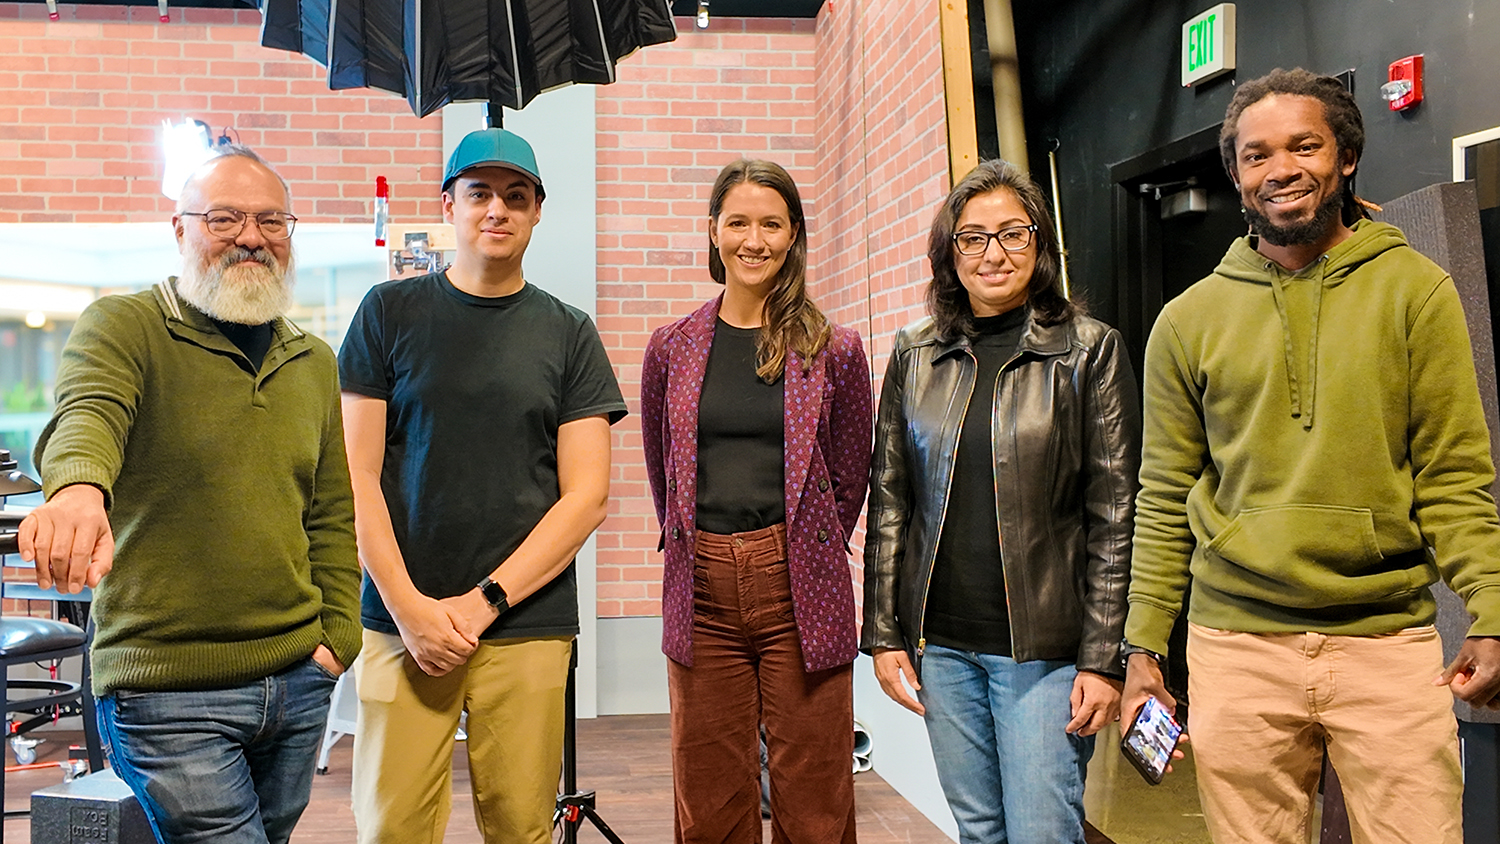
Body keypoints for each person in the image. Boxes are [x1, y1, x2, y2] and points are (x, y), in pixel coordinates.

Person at [1124, 67, 1500, 844]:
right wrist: (1142, 648)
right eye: (1257, 156)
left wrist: (1492, 610)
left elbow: (1455, 476)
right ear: (1236, 175)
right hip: (1237, 648)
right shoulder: (1187, 321)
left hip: (1390, 647)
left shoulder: (1416, 292)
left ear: (1346, 156)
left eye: (1304, 146)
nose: (1282, 169)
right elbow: (1162, 496)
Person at [17, 146, 361, 844]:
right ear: (180, 230)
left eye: (272, 220)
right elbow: (87, 413)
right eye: (224, 217)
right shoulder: (126, 326)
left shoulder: (314, 361)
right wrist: (79, 490)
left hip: (298, 677)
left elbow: (329, 512)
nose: (250, 236)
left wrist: (337, 640)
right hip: (165, 684)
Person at [339, 127, 626, 844]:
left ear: (536, 213)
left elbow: (585, 496)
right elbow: (355, 476)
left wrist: (484, 601)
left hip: (524, 623)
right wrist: (409, 610)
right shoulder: (386, 314)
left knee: (520, 830)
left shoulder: (569, 333)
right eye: (479, 193)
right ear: (450, 205)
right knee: (390, 829)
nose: (496, 209)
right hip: (402, 623)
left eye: (516, 196)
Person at [862, 159, 1138, 844]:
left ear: (1039, 245)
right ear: (949, 252)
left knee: (1043, 832)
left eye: (1012, 234)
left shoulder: (1088, 352)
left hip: (1044, 654)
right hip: (945, 647)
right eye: (973, 237)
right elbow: (891, 498)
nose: (993, 253)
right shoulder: (915, 354)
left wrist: (1104, 657)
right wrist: (885, 632)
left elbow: (1115, 513)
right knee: (979, 832)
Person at [641, 158, 872, 843]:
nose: (754, 239)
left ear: (794, 234)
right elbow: (667, 476)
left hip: (801, 589)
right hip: (702, 594)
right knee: (708, 800)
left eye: (772, 223)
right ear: (712, 231)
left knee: (816, 803)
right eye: (738, 222)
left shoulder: (836, 351)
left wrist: (798, 545)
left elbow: (849, 481)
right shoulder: (671, 349)